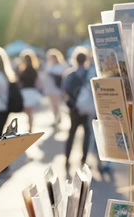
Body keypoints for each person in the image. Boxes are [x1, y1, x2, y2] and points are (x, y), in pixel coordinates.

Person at [63, 46, 91, 175]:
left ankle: (67, 158)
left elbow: (65, 91)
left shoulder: (69, 74)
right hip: (86, 110)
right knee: (86, 134)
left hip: (73, 109)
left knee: (72, 134)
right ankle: (83, 159)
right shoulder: (89, 73)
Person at [17, 49, 42, 132]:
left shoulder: (23, 70)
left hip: (25, 91)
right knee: (30, 111)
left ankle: (30, 126)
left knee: (28, 111)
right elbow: (37, 82)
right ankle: (30, 126)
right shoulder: (34, 70)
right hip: (31, 91)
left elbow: (19, 81)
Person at [43, 48, 68, 126]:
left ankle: (58, 118)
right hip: (50, 88)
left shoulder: (62, 65)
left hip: (58, 88)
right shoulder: (48, 66)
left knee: (57, 105)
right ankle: (56, 118)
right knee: (52, 105)